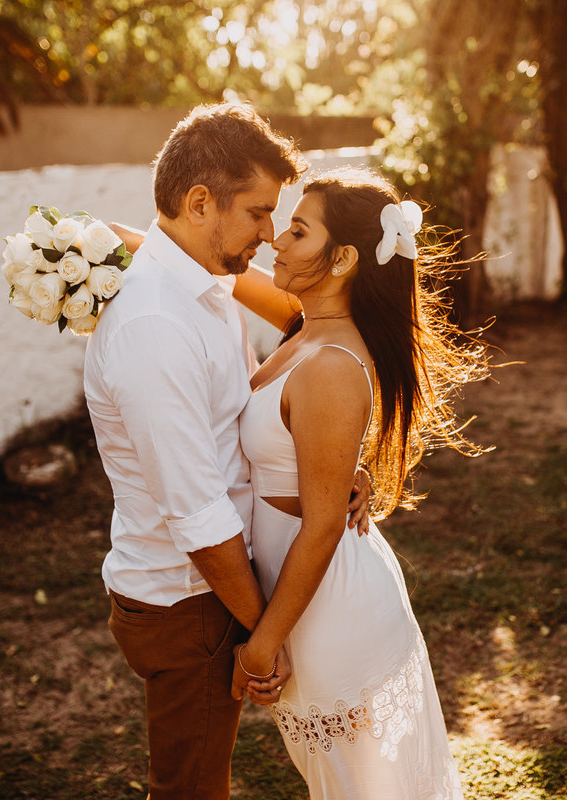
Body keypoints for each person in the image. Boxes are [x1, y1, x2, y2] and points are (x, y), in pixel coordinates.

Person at [82, 104, 368, 800]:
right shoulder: (155, 323)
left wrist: (329, 466)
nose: (270, 234)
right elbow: (198, 516)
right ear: (200, 203)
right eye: (260, 213)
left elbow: (253, 397)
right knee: (191, 790)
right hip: (192, 600)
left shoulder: (200, 283)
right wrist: (263, 636)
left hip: (208, 590)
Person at [231, 168, 489, 799]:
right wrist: (100, 245)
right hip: (306, 598)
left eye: (298, 231)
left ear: (344, 259)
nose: (276, 241)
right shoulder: (308, 326)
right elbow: (211, 271)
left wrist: (262, 645)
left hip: (330, 609)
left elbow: (323, 525)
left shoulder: (330, 363)